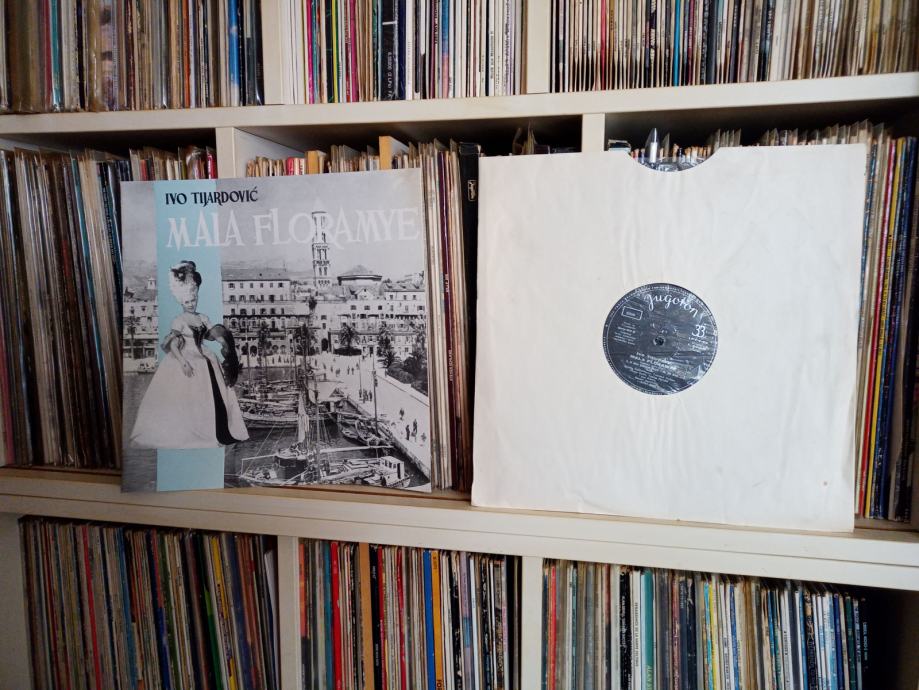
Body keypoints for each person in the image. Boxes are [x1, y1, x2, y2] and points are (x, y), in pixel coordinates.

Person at [130, 261, 248, 449]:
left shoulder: (202, 318)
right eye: (187, 302)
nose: (191, 304)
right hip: (187, 358)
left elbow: (212, 335)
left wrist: (225, 343)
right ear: (181, 302)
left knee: (217, 393)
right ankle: (197, 432)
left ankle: (221, 431)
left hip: (206, 358)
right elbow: (174, 344)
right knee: (188, 399)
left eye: (193, 300)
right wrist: (183, 362)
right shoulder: (179, 320)